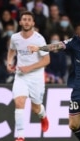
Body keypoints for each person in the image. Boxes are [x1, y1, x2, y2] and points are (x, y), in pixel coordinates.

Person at [6, 11, 50, 141]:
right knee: (19, 102)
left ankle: (43, 115)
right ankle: (20, 136)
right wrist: (9, 62)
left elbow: (47, 60)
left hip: (36, 77)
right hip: (20, 76)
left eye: (29, 20)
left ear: (33, 23)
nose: (26, 22)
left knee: (36, 108)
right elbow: (12, 50)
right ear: (20, 22)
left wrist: (29, 68)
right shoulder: (15, 37)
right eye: (24, 19)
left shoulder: (39, 39)